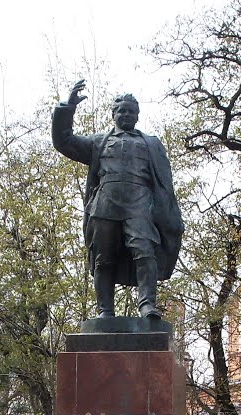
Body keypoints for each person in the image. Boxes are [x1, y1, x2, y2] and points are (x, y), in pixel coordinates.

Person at [52, 79, 183, 320]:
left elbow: (164, 183)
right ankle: (105, 310)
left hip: (139, 203)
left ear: (137, 116)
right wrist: (66, 109)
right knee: (103, 257)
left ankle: (147, 306)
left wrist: (167, 214)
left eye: (131, 111)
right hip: (106, 203)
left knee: (145, 251)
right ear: (113, 114)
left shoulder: (151, 144)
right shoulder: (99, 142)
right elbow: (64, 141)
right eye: (121, 110)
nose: (126, 114)